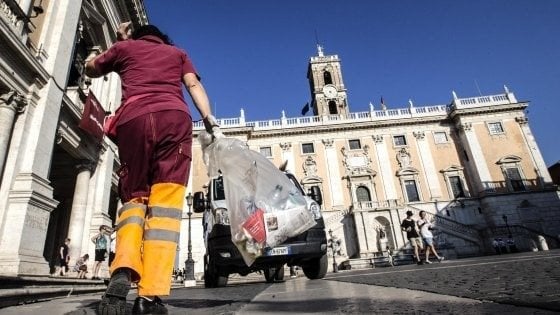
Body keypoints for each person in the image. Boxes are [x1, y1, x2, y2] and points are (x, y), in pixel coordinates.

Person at [85, 22, 221, 315]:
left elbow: (92, 69)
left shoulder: (125, 49)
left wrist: (115, 45)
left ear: (136, 36)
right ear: (163, 39)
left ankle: (122, 269)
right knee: (166, 209)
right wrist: (208, 117)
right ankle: (150, 297)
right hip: (175, 119)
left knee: (134, 199)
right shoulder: (177, 53)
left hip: (134, 119)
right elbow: (193, 85)